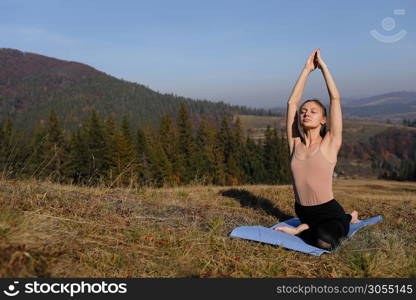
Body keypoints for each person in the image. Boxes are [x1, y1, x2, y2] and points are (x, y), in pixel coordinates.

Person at [274, 48, 360, 251]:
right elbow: (291, 103)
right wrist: (306, 70)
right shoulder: (295, 143)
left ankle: (347, 218)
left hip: (329, 211)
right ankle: (308, 225)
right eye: (304, 112)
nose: (306, 114)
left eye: (313, 111)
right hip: (302, 211)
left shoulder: (330, 142)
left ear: (323, 119)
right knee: (320, 235)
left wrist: (323, 69)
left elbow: (335, 100)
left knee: (325, 241)